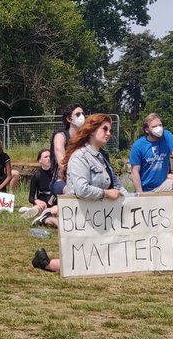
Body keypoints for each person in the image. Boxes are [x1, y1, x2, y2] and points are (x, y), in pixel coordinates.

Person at [32, 113, 122, 273]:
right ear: (92, 130)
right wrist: (106, 194)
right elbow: (81, 189)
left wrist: (135, 199)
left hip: (101, 220)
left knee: (105, 261)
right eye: (105, 129)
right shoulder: (79, 157)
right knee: (87, 264)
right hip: (82, 219)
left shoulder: (103, 157)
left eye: (111, 130)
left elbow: (117, 185)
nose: (109, 133)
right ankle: (46, 263)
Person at [129, 113, 173, 213]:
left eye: (160, 125)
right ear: (147, 130)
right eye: (154, 126)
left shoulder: (167, 135)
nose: (159, 128)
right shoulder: (138, 146)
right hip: (145, 188)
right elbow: (134, 172)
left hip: (162, 184)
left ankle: (170, 222)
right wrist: (140, 194)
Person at [50, 104, 86, 196]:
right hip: (61, 181)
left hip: (83, 180)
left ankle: (49, 210)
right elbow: (62, 164)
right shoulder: (61, 136)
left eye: (83, 114)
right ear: (69, 119)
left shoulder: (86, 139)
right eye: (78, 114)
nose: (82, 116)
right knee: (72, 192)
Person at [21, 149, 58, 227]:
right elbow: (30, 197)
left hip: (54, 204)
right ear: (40, 160)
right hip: (41, 204)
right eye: (45, 157)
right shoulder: (36, 176)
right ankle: (30, 213)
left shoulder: (57, 175)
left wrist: (48, 205)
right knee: (37, 208)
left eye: (50, 157)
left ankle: (42, 214)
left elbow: (57, 193)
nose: (48, 158)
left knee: (56, 209)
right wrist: (36, 201)